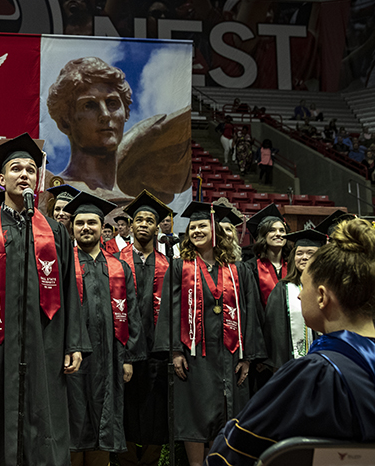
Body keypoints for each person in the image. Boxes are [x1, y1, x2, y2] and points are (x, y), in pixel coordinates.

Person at [0, 133, 87, 466]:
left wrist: (73, 343)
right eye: (16, 168)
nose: (24, 174)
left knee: (45, 422)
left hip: (46, 345)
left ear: (37, 180)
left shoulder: (53, 232)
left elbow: (69, 290)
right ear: (1, 178)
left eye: (31, 170)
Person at [206, 218, 375, 466]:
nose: (297, 293)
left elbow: (231, 453)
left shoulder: (315, 376)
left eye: (303, 285)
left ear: (321, 297)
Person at [153, 201, 265, 466]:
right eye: (192, 227)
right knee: (195, 410)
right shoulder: (181, 267)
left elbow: (250, 313)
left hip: (230, 354)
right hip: (194, 354)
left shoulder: (239, 270)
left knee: (227, 409)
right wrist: (175, 351)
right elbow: (170, 310)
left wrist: (247, 356)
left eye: (202, 225)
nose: (197, 231)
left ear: (215, 230)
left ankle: (217, 461)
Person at [65, 191, 145, 466]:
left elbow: (131, 312)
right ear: (72, 227)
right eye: (79, 223)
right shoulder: (63, 265)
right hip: (72, 357)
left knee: (105, 417)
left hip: (110, 357)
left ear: (102, 227)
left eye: (91, 222)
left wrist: (128, 359)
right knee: (72, 419)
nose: (85, 228)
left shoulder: (119, 267)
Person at [46, 56, 190, 204]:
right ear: (64, 121)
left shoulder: (136, 206)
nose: (105, 115)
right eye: (89, 105)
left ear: (126, 113)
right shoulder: (51, 191)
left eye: (112, 103)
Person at [114, 191, 172, 466]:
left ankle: (148, 461)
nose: (144, 224)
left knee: (155, 410)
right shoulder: (115, 262)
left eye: (150, 220)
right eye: (139, 219)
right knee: (125, 410)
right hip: (124, 351)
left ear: (157, 226)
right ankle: (125, 461)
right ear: (131, 224)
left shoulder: (169, 266)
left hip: (156, 353)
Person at [261, 228, 325, 373]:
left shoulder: (331, 287)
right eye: (299, 253)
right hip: (291, 363)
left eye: (310, 253)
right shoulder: (283, 289)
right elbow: (275, 331)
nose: (304, 257)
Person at [245, 204, 289, 309]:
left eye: (282, 230)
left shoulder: (292, 266)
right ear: (263, 235)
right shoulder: (251, 268)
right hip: (263, 322)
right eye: (272, 230)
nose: (278, 234)